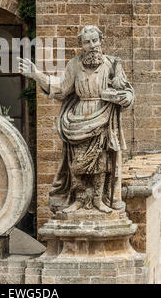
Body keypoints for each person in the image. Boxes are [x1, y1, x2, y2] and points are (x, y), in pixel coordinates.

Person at [18, 25, 134, 214]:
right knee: (76, 162)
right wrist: (37, 75)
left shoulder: (112, 65)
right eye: (87, 42)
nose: (92, 45)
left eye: (95, 40)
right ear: (81, 44)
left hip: (104, 117)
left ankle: (98, 200)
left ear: (101, 41)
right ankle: (79, 199)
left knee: (101, 161)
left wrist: (125, 97)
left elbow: (127, 91)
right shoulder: (74, 65)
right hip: (78, 119)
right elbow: (62, 89)